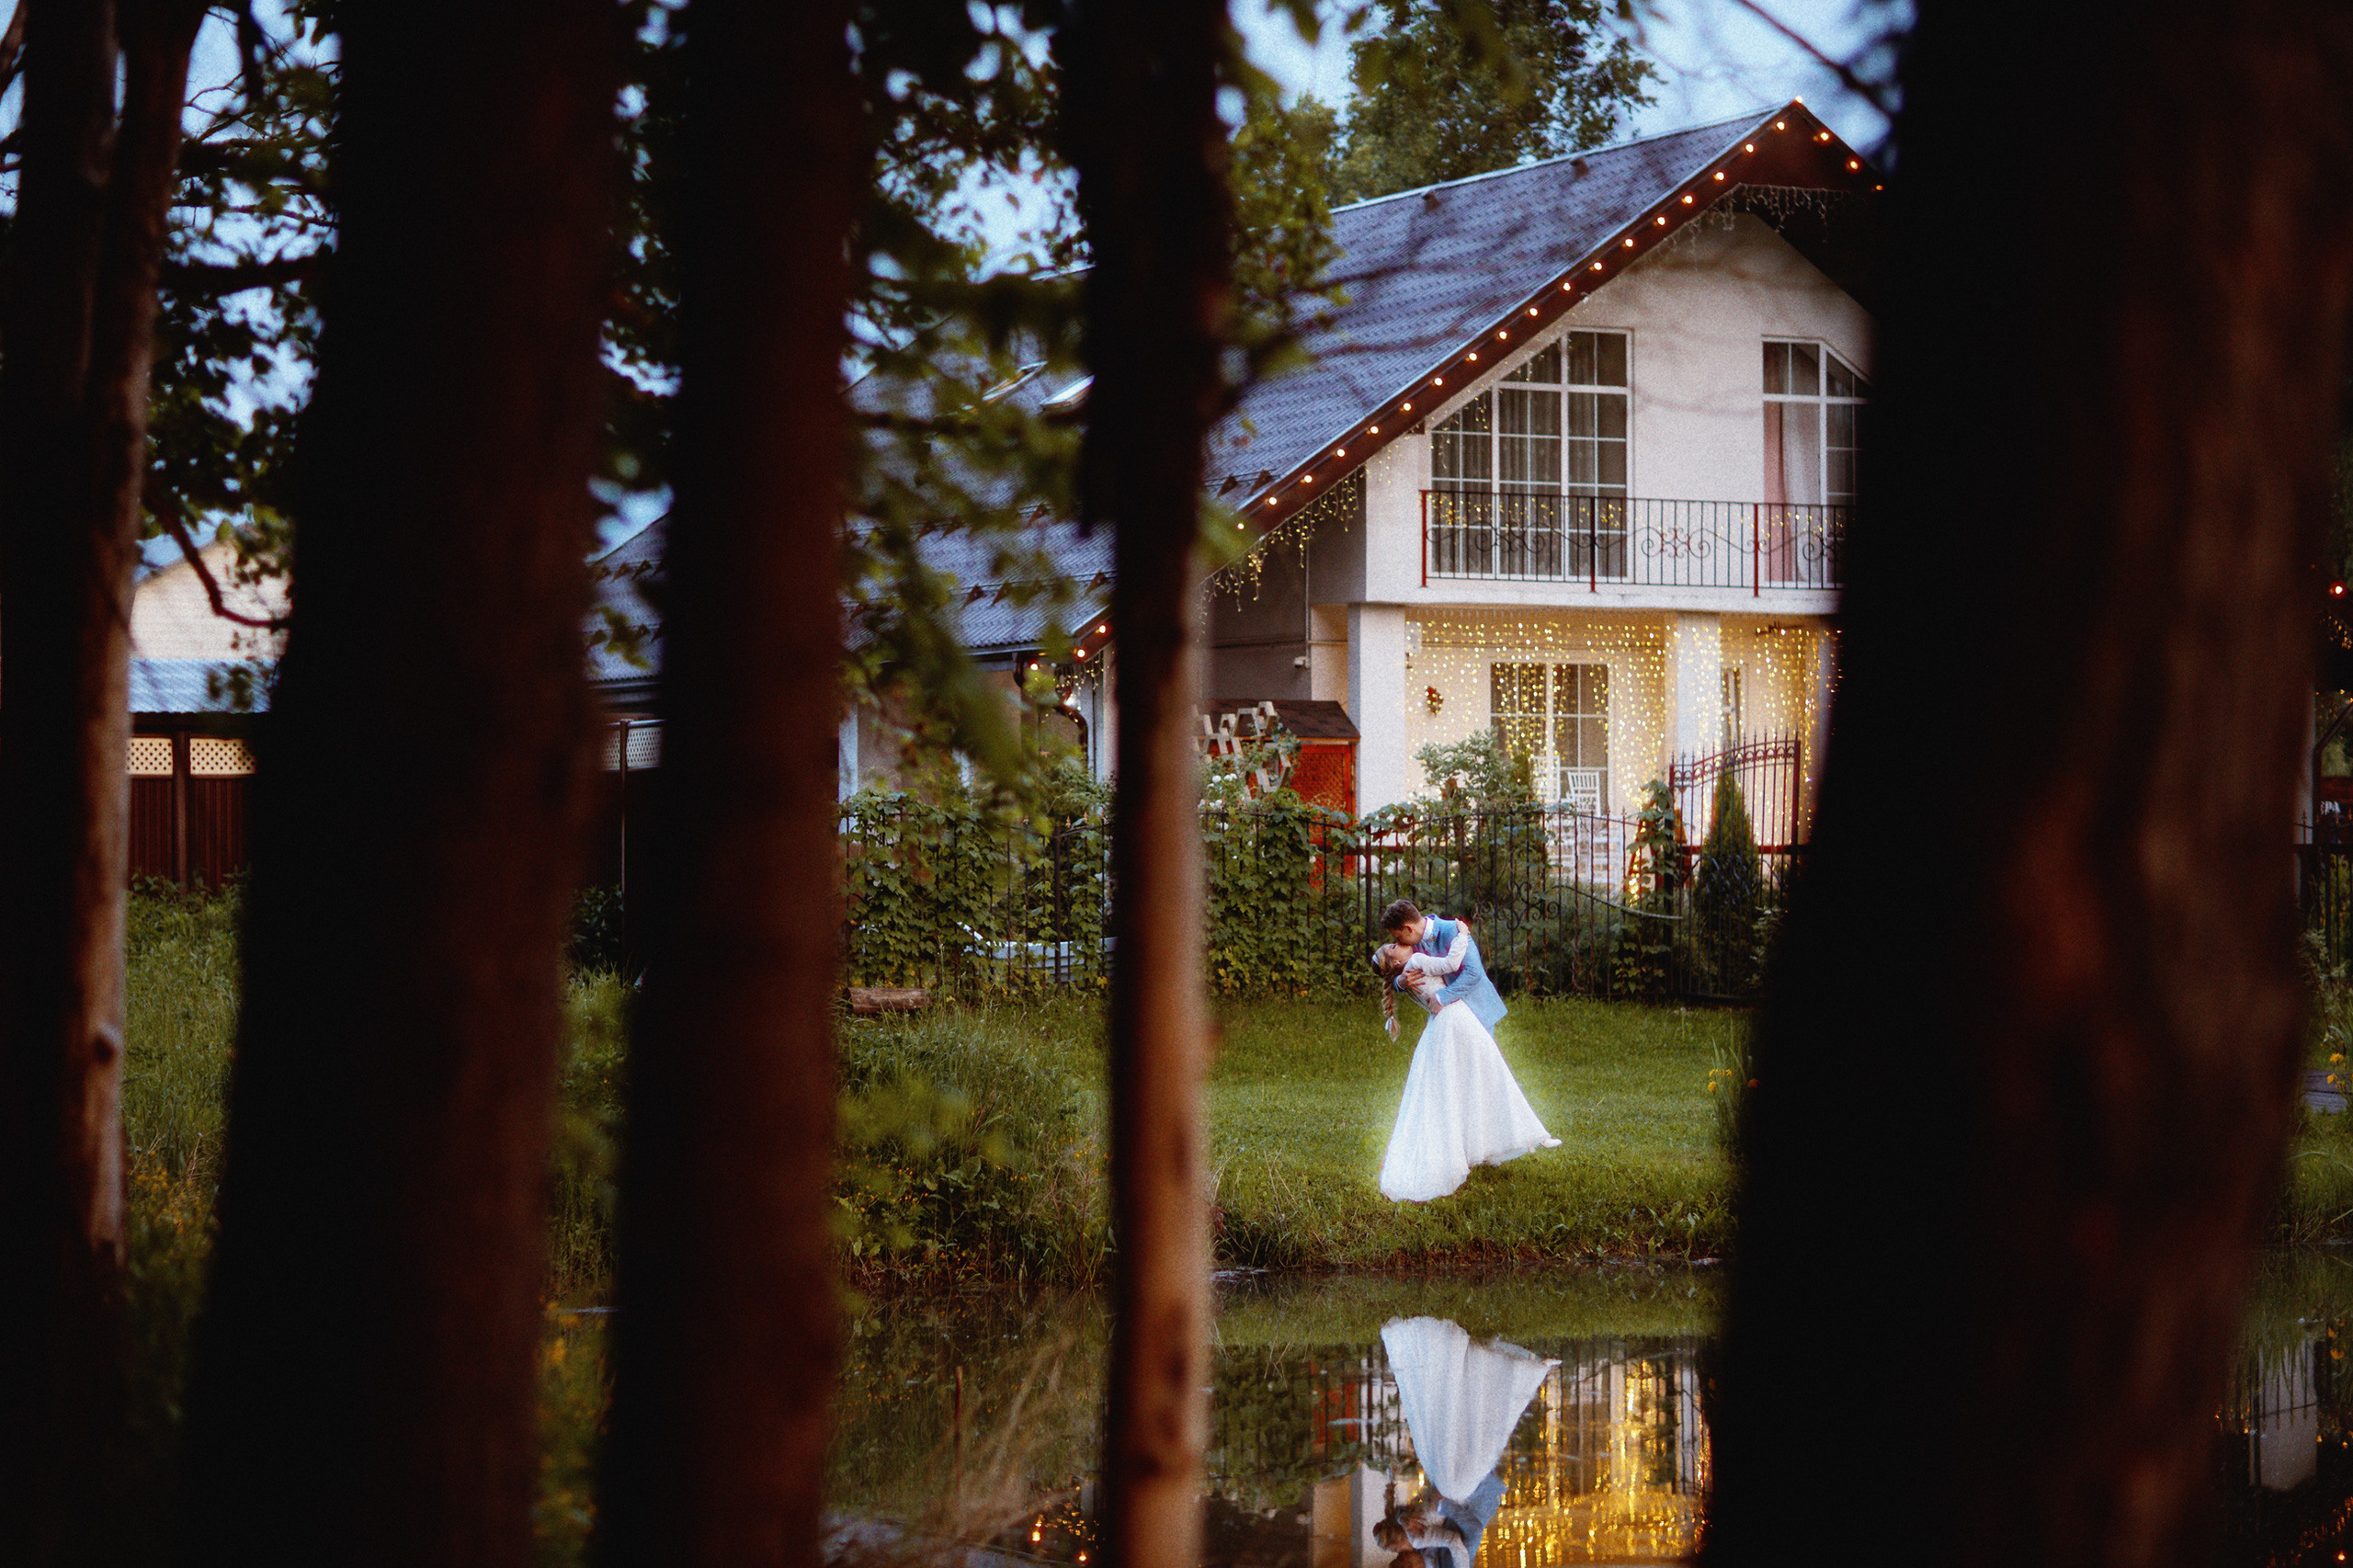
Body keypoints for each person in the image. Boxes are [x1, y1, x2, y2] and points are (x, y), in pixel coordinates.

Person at [1370, 902, 1559, 1203]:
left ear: (1407, 929)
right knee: (1461, 1083)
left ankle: (1483, 1145)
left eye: (1397, 938)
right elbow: (1398, 971)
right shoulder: (1413, 951)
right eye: (1395, 944)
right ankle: (1466, 1148)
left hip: (1473, 1010)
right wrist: (1399, 982)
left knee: (1479, 1079)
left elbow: (1472, 975)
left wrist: (1440, 997)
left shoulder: (1449, 930)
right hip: (1450, 1018)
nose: (1397, 943)